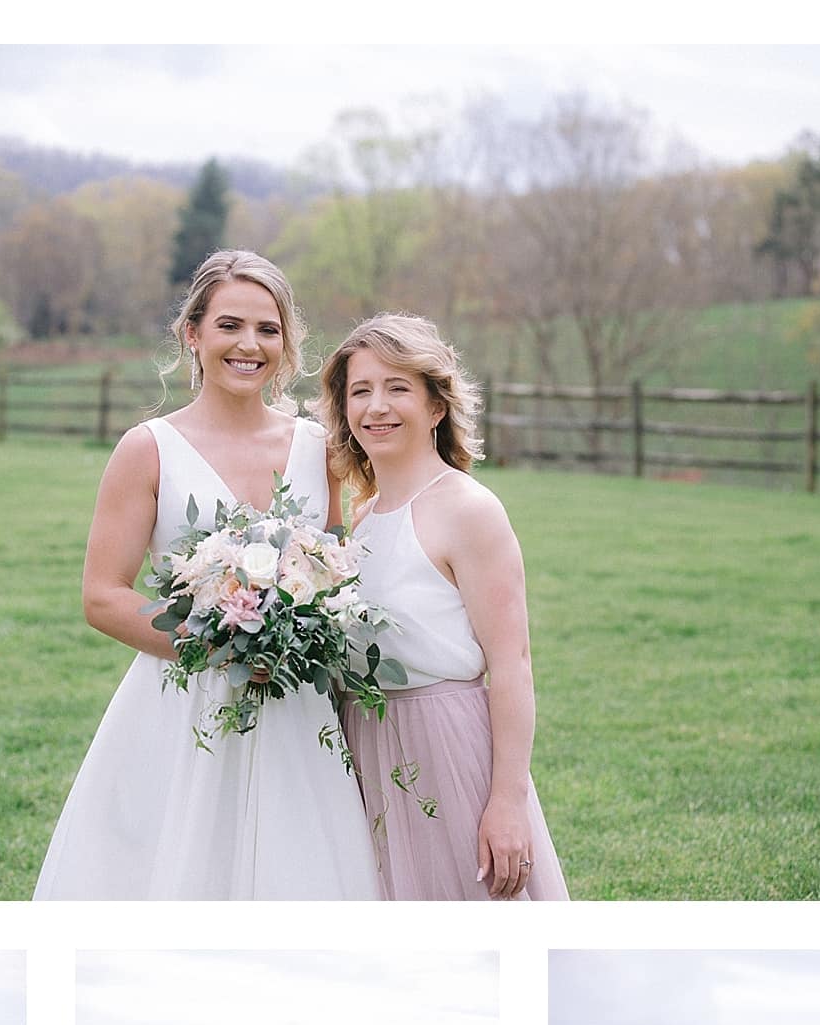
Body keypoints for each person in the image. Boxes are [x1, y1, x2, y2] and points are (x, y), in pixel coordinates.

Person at [35, 250, 380, 899]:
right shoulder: (148, 449)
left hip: (294, 706)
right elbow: (102, 596)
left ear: (287, 343)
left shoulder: (321, 449)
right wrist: (219, 645)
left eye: (268, 329)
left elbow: (338, 574)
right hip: (183, 705)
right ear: (192, 334)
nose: (249, 344)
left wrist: (303, 631)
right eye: (229, 325)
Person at [315, 314, 568, 900]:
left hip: (448, 751)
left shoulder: (468, 510)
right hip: (366, 746)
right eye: (361, 391)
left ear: (435, 407)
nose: (377, 406)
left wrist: (507, 803)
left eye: (397, 387)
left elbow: (512, 664)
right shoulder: (361, 519)